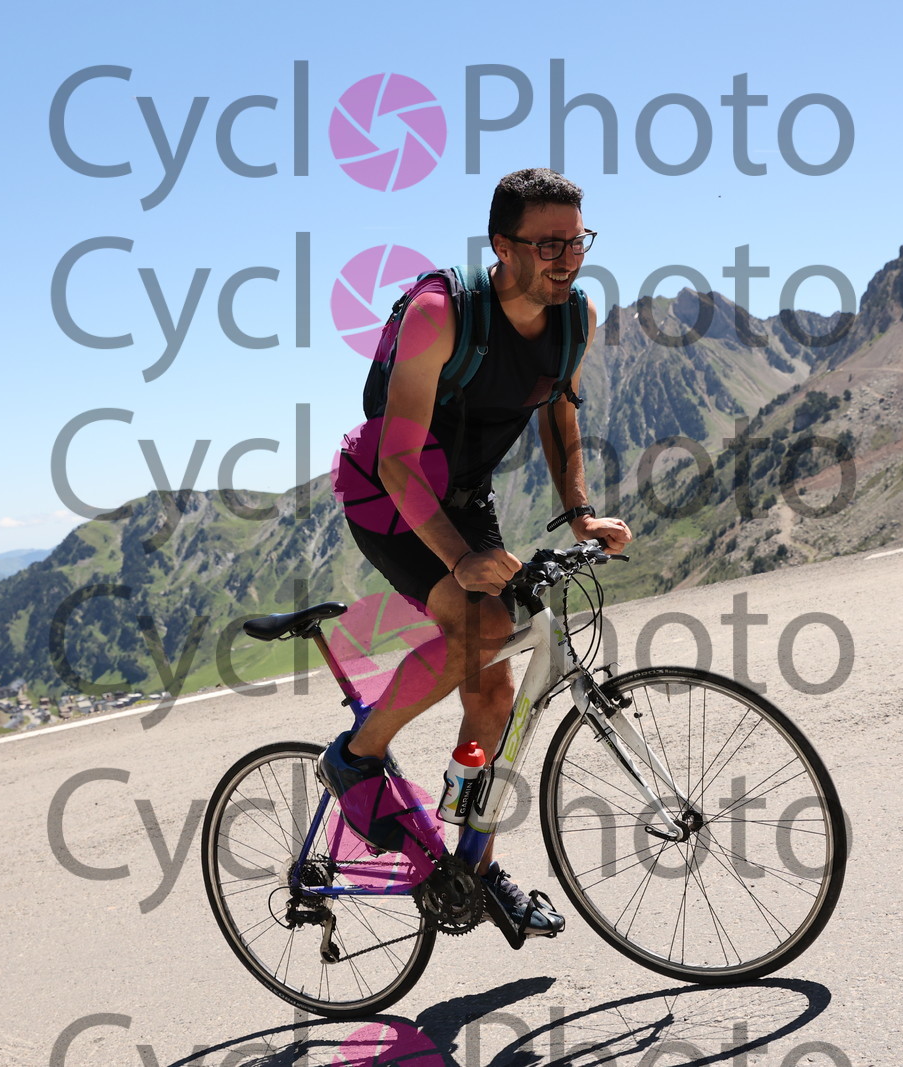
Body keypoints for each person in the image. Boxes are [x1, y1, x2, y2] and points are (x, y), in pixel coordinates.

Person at [320, 168, 631, 937]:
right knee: (485, 627)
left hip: (462, 496)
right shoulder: (440, 315)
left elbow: (558, 410)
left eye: (578, 241)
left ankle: (474, 866)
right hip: (387, 493)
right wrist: (460, 559)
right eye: (549, 244)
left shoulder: (574, 318)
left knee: (493, 694)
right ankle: (357, 755)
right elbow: (396, 460)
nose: (568, 259)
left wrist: (580, 513)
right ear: (502, 245)